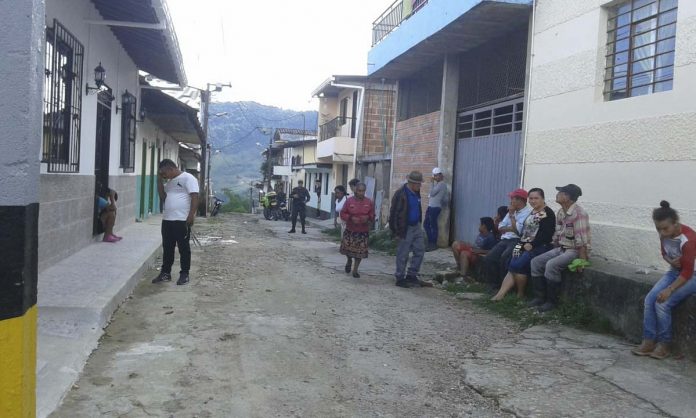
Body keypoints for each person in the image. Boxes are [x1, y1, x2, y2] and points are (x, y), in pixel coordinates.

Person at [632, 201, 696, 359]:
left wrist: (669, 289)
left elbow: (687, 272)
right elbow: (664, 254)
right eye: (658, 229)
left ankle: (664, 345)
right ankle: (649, 341)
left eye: (665, 228)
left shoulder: (688, 240)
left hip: (692, 275)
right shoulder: (665, 233)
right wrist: (671, 261)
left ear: (676, 224)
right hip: (675, 271)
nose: (661, 233)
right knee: (650, 299)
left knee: (662, 303)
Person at [529, 184, 591, 312]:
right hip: (562, 248)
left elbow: (582, 240)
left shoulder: (579, 214)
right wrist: (554, 248)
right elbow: (558, 233)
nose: (557, 195)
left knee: (551, 265)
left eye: (560, 193)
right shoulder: (561, 212)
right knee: (536, 262)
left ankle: (552, 301)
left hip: (574, 250)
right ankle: (539, 297)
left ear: (567, 197)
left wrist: (582, 261)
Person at [491, 188, 556, 301]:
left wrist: (532, 244)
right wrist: (521, 244)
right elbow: (525, 231)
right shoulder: (532, 212)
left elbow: (546, 234)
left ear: (543, 198)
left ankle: (519, 294)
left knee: (517, 265)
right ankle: (501, 294)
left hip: (538, 246)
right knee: (511, 262)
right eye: (531, 198)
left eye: (536, 198)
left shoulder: (547, 213)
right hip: (522, 243)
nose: (533, 201)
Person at [151, 159, 199, 285]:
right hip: (167, 219)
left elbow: (195, 197)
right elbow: (163, 197)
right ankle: (165, 273)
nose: (163, 176)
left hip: (182, 219)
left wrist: (191, 215)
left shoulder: (188, 178)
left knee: (183, 248)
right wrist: (159, 181)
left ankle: (184, 274)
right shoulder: (170, 182)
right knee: (167, 248)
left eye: (164, 173)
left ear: (171, 169)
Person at [482, 189, 532, 288]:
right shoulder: (511, 211)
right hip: (505, 239)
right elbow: (500, 227)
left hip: (518, 241)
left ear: (520, 200)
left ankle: (505, 287)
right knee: (490, 257)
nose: (511, 201)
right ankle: (494, 284)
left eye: (512, 199)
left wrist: (512, 217)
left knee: (505, 257)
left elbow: (518, 231)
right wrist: (511, 227)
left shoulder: (528, 213)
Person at [389, 171, 426, 288]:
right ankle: (400, 277)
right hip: (404, 227)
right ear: (412, 183)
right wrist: (395, 231)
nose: (420, 186)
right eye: (419, 184)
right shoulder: (400, 194)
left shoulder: (416, 192)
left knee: (420, 250)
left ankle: (412, 275)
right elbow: (394, 213)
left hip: (416, 226)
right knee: (403, 253)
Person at [339, 182, 375, 278]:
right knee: (348, 250)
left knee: (360, 253)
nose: (361, 193)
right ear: (356, 190)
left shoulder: (369, 202)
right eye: (359, 191)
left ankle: (355, 270)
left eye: (363, 191)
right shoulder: (349, 201)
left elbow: (373, 215)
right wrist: (350, 218)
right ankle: (349, 260)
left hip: (363, 231)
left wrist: (368, 217)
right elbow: (342, 213)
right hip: (351, 230)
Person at [424, 167, 448, 252]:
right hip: (431, 207)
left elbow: (432, 193)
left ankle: (433, 243)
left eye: (436, 175)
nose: (435, 177)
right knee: (426, 224)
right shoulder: (438, 184)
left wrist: (431, 183)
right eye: (434, 176)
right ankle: (430, 241)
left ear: (441, 175)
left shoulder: (442, 184)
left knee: (432, 225)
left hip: (435, 208)